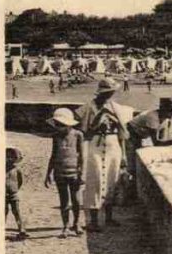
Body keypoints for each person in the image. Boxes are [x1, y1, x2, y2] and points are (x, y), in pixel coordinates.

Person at [76, 78, 131, 231]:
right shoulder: (88, 108)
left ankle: (109, 217)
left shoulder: (116, 108)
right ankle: (93, 221)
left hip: (113, 143)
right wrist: (99, 118)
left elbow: (123, 134)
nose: (110, 95)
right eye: (108, 92)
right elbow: (85, 132)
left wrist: (124, 155)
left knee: (112, 179)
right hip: (95, 143)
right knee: (94, 179)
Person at [44, 108, 85, 237]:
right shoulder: (55, 136)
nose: (59, 127)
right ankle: (65, 225)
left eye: (61, 125)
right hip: (59, 171)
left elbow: (82, 155)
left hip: (74, 172)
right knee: (64, 200)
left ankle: (76, 223)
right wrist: (48, 173)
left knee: (76, 200)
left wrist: (81, 172)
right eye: (57, 124)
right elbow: (53, 154)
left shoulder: (78, 135)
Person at [126, 97, 172, 174]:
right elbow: (156, 143)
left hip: (141, 135)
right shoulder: (152, 117)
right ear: (162, 109)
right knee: (132, 163)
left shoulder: (166, 121)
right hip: (130, 133)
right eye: (171, 110)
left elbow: (162, 140)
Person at [5, 147, 27, 240]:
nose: (11, 160)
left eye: (13, 158)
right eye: (8, 157)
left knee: (17, 212)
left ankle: (21, 229)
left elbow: (20, 181)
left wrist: (15, 190)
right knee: (3, 212)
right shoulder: (2, 169)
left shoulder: (17, 169)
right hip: (3, 195)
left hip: (13, 195)